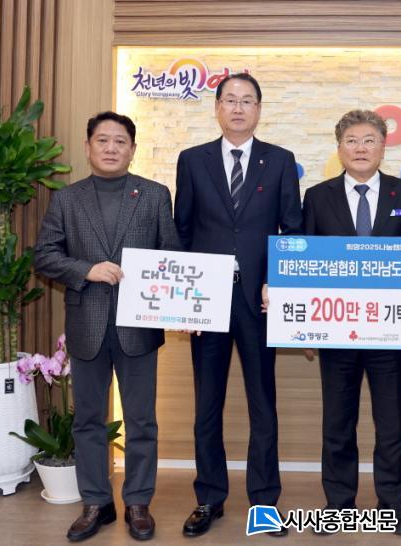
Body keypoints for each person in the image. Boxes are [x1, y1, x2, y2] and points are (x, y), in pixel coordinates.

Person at [34, 111, 181, 542]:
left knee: (142, 421)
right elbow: (44, 255)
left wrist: (183, 310)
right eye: (103, 140)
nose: (112, 148)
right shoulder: (67, 199)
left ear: (132, 149)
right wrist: (87, 269)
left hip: (140, 328)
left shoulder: (154, 195)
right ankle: (96, 503)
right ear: (88, 147)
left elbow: (171, 256)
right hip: (88, 325)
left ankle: (137, 503)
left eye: (120, 141)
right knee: (88, 422)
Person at [174, 73, 302, 537]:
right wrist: (183, 302)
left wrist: (276, 282)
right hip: (206, 301)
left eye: (248, 101)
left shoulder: (280, 160)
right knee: (206, 405)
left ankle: (264, 503)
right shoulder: (193, 160)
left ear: (259, 110)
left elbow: (293, 231)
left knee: (262, 405)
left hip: (258, 302)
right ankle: (209, 497)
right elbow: (182, 231)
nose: (238, 108)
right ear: (217, 108)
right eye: (230, 100)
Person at [302, 109, 401, 535]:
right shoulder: (316, 197)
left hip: (388, 330)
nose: (360, 148)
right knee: (337, 423)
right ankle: (338, 504)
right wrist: (306, 327)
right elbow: (305, 262)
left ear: (383, 146)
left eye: (369, 140)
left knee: (392, 424)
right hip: (336, 330)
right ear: (339, 148)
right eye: (351, 140)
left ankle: (392, 503)